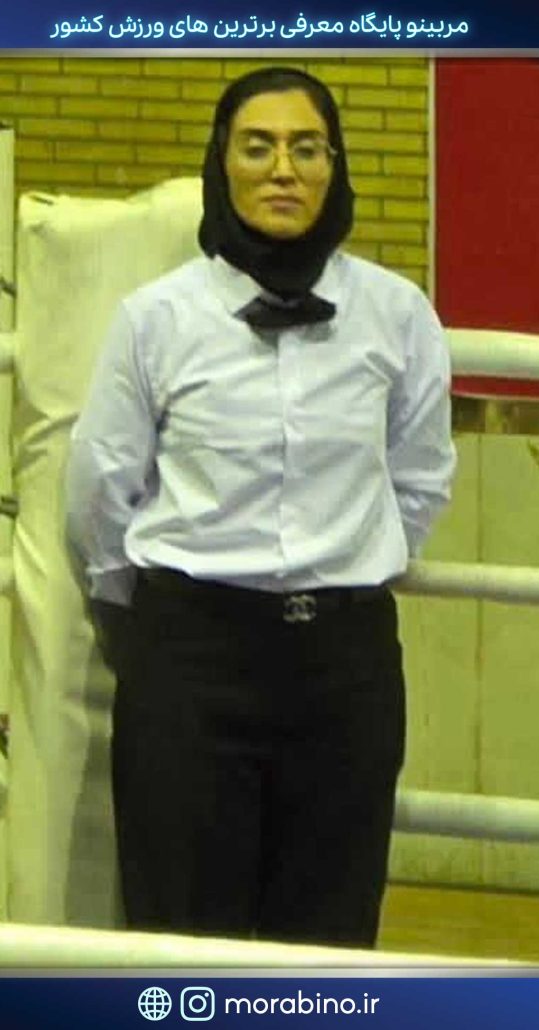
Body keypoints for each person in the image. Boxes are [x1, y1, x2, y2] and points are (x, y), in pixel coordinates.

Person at [65, 66, 456, 949]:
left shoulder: (397, 315)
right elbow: (99, 490)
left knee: (329, 939)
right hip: (189, 660)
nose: (283, 169)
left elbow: (421, 476)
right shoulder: (156, 320)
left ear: (334, 168)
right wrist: (150, 622)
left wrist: (344, 568)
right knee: (179, 940)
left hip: (344, 667)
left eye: (306, 148)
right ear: (222, 164)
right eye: (258, 147)